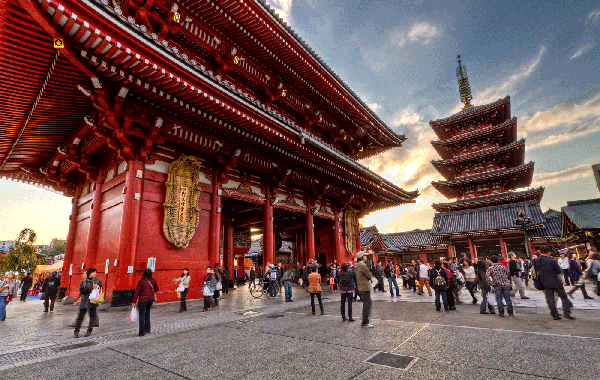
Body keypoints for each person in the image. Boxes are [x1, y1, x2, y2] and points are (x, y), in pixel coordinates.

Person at [532, 246, 575, 320]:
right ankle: (566, 313)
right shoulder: (552, 260)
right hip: (555, 281)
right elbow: (558, 271)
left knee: (550, 298)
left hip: (544, 281)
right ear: (548, 252)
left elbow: (535, 270)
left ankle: (554, 314)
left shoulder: (535, 260)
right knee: (563, 296)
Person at [74, 268, 102, 337]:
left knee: (92, 316)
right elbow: (82, 291)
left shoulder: (98, 281)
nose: (95, 274)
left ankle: (89, 330)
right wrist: (91, 288)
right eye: (93, 272)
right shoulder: (83, 282)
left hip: (93, 301)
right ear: (89, 274)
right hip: (84, 301)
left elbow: (101, 289)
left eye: (95, 272)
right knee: (80, 316)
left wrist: (98, 287)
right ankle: (76, 331)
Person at [132, 269, 159, 337]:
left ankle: (141, 332)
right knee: (147, 314)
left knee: (142, 316)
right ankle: (147, 329)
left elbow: (137, 293)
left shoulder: (141, 282)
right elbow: (156, 289)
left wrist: (134, 302)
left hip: (143, 300)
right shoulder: (153, 281)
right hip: (150, 300)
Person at [355, 252, 373, 328]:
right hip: (365, 287)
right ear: (362, 257)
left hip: (360, 286)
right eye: (365, 256)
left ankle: (364, 320)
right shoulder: (362, 265)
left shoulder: (356, 265)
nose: (366, 257)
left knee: (367, 302)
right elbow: (369, 275)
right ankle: (365, 322)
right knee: (367, 304)